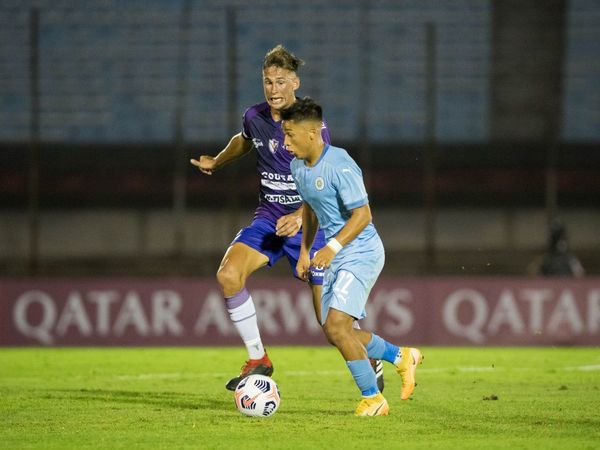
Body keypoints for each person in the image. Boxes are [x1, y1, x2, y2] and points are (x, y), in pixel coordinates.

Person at [190, 45, 383, 391]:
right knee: (229, 275)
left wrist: (298, 215)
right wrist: (217, 161)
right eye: (267, 82)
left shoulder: (310, 127)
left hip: (311, 225)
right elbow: (244, 140)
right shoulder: (255, 117)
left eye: (280, 81)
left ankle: (370, 357)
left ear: (295, 82)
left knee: (331, 327)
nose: (274, 89)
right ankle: (258, 358)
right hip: (268, 220)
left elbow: (322, 182)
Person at [283, 97, 423, 416]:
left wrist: (330, 248)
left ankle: (374, 399)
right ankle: (402, 357)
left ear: (312, 133)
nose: (285, 142)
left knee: (336, 326)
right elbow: (310, 209)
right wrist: (305, 250)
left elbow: (363, 215)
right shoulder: (297, 167)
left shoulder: (340, 163)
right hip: (336, 254)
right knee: (337, 332)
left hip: (360, 250)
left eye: (290, 135)